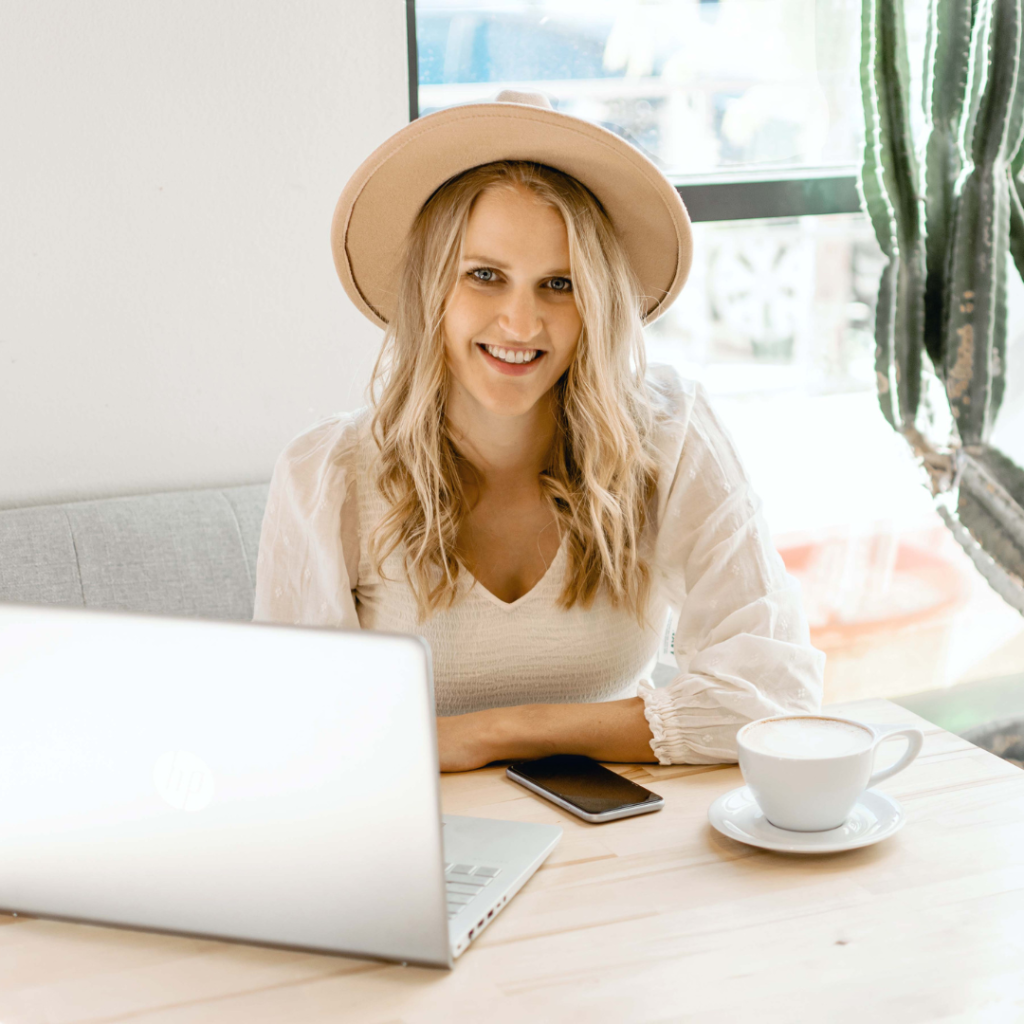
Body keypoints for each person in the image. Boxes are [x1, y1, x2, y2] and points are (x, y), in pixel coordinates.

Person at [253, 91, 824, 771]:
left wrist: (500, 732)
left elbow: (775, 697)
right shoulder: (329, 476)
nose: (522, 325)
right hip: (420, 850)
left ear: (599, 303)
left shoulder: (672, 435)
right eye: (485, 276)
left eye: (560, 284)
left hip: (622, 832)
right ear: (429, 289)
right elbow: (299, 739)